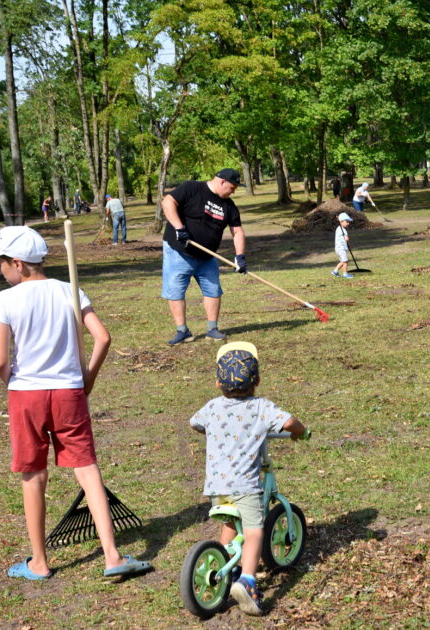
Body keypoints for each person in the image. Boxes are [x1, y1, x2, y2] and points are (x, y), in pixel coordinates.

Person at [0, 226, 153, 581]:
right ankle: (112, 555)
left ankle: (39, 563)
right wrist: (88, 378)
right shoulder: (70, 291)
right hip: (69, 393)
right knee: (86, 468)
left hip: (26, 395)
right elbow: (103, 337)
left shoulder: (5, 300)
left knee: (33, 474)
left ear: (17, 263)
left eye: (0, 263)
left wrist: (13, 383)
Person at [189, 342, 307, 615]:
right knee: (254, 530)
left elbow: (194, 422)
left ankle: (226, 565)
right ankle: (248, 580)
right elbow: (290, 423)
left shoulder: (212, 407)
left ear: (217, 383)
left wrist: (213, 431)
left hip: (216, 485)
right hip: (245, 484)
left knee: (231, 522)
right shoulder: (261, 407)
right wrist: (301, 432)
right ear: (258, 381)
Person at [161, 168, 246, 345]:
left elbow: (237, 231)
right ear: (222, 181)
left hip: (207, 256)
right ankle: (182, 331)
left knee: (213, 290)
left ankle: (212, 329)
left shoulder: (229, 206)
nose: (233, 192)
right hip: (179, 252)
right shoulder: (192, 188)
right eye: (232, 187)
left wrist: (240, 256)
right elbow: (167, 202)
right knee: (176, 291)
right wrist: (179, 228)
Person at [332, 212, 354, 279]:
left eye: (348, 222)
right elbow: (345, 238)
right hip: (340, 248)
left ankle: (335, 271)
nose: (348, 223)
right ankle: (345, 274)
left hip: (341, 248)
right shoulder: (340, 229)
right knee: (345, 261)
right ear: (341, 222)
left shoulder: (341, 229)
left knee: (343, 261)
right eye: (346, 222)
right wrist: (346, 238)